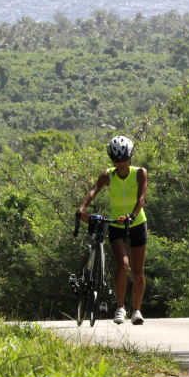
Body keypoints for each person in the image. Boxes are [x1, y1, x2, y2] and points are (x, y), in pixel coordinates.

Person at [76, 136, 148, 325]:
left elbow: (141, 198)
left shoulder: (140, 173)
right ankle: (121, 308)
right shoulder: (108, 175)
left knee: (138, 271)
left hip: (137, 223)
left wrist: (132, 215)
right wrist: (81, 209)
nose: (121, 163)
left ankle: (137, 311)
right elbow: (93, 191)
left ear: (130, 157)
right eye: (116, 160)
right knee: (123, 266)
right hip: (116, 225)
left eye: (124, 159)